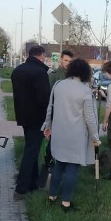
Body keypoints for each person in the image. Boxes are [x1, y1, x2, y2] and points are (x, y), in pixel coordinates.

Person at [41, 58, 101, 211]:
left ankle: (52, 196)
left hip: (59, 133)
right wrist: (95, 137)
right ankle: (66, 202)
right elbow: (90, 118)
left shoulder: (58, 85)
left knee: (59, 165)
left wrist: (47, 125)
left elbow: (50, 107)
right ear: (86, 72)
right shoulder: (85, 91)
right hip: (76, 136)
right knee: (72, 169)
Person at [11, 45, 52, 199]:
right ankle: (21, 188)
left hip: (23, 116)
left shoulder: (18, 70)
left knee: (31, 149)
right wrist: (49, 117)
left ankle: (33, 183)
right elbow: (44, 98)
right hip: (38, 118)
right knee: (31, 151)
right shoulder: (40, 72)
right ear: (41, 55)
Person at [41, 49, 75, 183]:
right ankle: (49, 166)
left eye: (70, 61)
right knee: (53, 142)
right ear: (61, 60)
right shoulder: (54, 75)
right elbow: (49, 97)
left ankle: (64, 167)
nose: (68, 63)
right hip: (56, 112)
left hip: (70, 114)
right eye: (66, 60)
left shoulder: (74, 76)